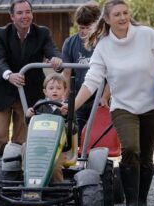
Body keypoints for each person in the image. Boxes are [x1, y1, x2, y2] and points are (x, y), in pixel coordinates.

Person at [67, 0, 154, 206]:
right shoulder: (104, 46)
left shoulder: (147, 35)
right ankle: (130, 205)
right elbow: (91, 81)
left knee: (146, 155)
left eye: (125, 13)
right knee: (130, 149)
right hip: (123, 106)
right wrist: (70, 108)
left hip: (153, 106)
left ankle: (142, 204)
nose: (123, 17)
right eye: (117, 14)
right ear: (107, 20)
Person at [0, 0, 63, 167]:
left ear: (32, 14)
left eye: (28, 12)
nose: (24, 16)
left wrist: (56, 58)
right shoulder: (1, 34)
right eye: (20, 13)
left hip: (28, 93)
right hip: (1, 91)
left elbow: (52, 50)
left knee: (21, 139)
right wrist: (9, 75)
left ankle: (17, 172)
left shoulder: (42, 33)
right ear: (12, 16)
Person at [62, 1, 110, 141]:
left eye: (87, 27)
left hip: (100, 98)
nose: (83, 31)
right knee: (76, 135)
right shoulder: (70, 43)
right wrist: (66, 99)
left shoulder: (105, 43)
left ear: (97, 24)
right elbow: (66, 73)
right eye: (80, 27)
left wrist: (105, 97)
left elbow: (113, 75)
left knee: (97, 137)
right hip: (79, 97)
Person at [25, 73, 69, 182]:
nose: (55, 91)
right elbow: (30, 126)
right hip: (38, 144)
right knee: (24, 147)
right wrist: (28, 116)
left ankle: (58, 189)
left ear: (64, 91)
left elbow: (74, 129)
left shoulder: (68, 108)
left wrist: (66, 116)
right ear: (45, 92)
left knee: (54, 166)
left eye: (58, 88)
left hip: (59, 147)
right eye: (51, 88)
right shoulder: (40, 106)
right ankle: (27, 176)